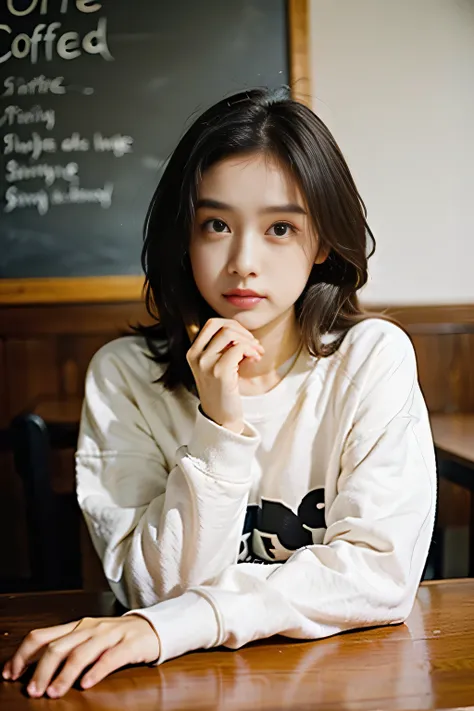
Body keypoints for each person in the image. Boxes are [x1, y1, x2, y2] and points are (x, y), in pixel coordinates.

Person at [2, 86, 437, 699]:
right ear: (184, 237)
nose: (243, 261)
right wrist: (220, 426)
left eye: (281, 227)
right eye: (215, 224)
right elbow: (153, 593)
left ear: (321, 243)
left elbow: (379, 577)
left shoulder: (372, 359)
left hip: (344, 681)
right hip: (183, 688)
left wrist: (190, 620)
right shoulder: (123, 375)